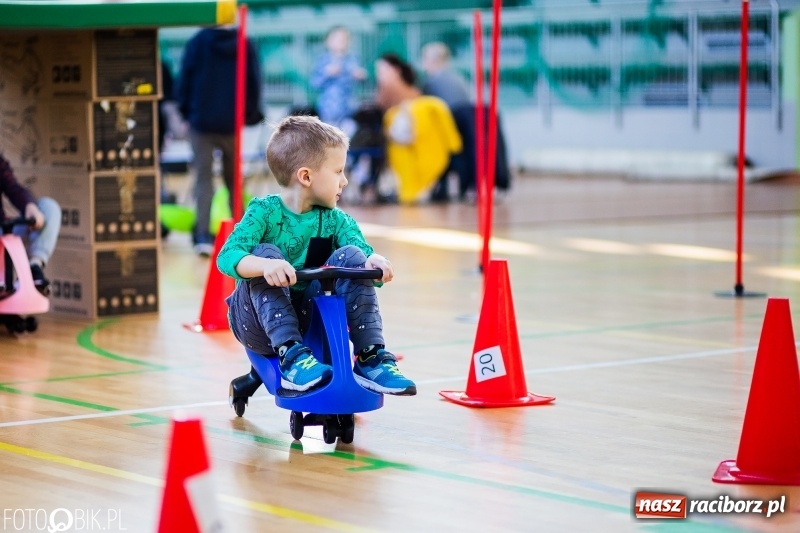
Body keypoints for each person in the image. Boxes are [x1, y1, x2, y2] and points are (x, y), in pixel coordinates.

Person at [216, 115, 416, 396]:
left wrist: (374, 262)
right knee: (266, 253)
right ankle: (291, 359)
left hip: (308, 317)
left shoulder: (336, 220)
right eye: (338, 171)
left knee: (351, 255)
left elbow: (362, 253)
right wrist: (264, 265)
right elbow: (227, 256)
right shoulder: (264, 212)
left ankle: (370, 357)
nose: (345, 181)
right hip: (255, 323)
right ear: (306, 176)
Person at [177, 26, 264, 256]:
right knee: (234, 179)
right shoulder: (243, 42)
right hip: (231, 121)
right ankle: (244, 235)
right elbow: (253, 80)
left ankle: (203, 235)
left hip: (201, 121)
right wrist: (250, 113)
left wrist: (185, 112)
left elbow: (185, 76)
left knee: (203, 179)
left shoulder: (197, 41)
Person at [420, 42, 511, 202]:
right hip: (472, 116)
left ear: (433, 61)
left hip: (454, 123)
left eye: (425, 59)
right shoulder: (458, 78)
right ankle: (490, 182)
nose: (423, 63)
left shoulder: (431, 83)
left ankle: (464, 185)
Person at [375, 53, 461, 205]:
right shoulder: (414, 89)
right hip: (421, 133)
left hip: (401, 133)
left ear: (395, 70)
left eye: (381, 70)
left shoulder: (388, 86)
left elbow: (378, 110)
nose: (378, 74)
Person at [0, 155, 61, 293]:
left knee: (49, 207)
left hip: (4, 235)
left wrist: (29, 206)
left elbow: (13, 187)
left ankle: (33, 267)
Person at [309, 26, 367, 131]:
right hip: (328, 111)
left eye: (345, 38)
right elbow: (313, 84)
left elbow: (363, 82)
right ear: (328, 41)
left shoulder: (353, 59)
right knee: (330, 140)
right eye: (337, 38)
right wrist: (327, 74)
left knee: (348, 136)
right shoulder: (322, 61)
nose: (341, 41)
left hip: (349, 111)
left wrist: (361, 77)